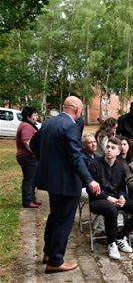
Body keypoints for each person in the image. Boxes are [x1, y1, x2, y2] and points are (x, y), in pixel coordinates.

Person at [30, 96, 101, 273]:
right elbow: (76, 157)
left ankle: (48, 252)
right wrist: (90, 180)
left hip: (52, 180)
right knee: (64, 221)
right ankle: (55, 261)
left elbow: (33, 143)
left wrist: (47, 161)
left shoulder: (48, 123)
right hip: (67, 183)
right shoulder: (70, 126)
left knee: (55, 216)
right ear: (77, 110)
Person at [88, 137, 133, 260]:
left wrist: (121, 196)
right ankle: (111, 243)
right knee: (111, 210)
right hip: (97, 200)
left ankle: (121, 236)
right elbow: (90, 190)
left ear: (119, 151)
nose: (109, 150)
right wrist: (107, 198)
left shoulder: (121, 166)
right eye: (108, 147)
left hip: (115, 198)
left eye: (113, 148)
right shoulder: (95, 164)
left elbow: (121, 187)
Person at [16, 106, 41, 208]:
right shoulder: (26, 126)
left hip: (29, 157)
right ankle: (27, 201)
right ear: (28, 117)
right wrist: (35, 153)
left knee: (33, 179)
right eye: (34, 115)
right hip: (27, 157)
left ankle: (32, 199)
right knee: (29, 179)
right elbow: (27, 142)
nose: (36, 117)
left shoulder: (28, 125)